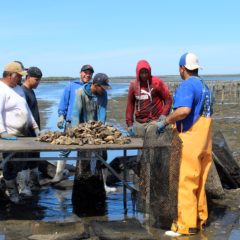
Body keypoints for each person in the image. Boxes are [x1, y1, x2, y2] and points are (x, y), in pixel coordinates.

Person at [156, 53, 214, 236]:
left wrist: (165, 122)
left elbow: (184, 110)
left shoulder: (187, 85)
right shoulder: (205, 87)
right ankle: (199, 220)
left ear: (182, 68)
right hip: (205, 140)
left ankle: (185, 226)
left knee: (185, 182)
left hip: (190, 139)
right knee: (200, 181)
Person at [0, 62, 40, 203]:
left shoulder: (18, 89)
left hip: (23, 135)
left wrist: (35, 127)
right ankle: (13, 194)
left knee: (21, 163)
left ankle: (22, 189)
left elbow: (26, 110)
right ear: (11, 75)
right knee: (10, 165)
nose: (21, 79)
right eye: (19, 76)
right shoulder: (1, 89)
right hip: (9, 136)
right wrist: (2, 133)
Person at [71, 73, 116, 192]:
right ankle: (83, 186)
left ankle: (103, 184)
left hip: (97, 130)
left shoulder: (103, 94)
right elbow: (76, 114)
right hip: (82, 130)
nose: (104, 90)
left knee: (103, 156)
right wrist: (77, 132)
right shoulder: (81, 92)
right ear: (95, 85)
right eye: (103, 87)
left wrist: (101, 130)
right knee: (83, 158)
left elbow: (102, 113)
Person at [53, 64, 94, 183]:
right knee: (65, 149)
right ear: (80, 73)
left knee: (88, 150)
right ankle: (58, 174)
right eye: (85, 72)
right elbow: (63, 102)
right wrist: (61, 115)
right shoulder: (71, 86)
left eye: (90, 73)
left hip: (87, 125)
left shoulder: (91, 87)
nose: (87, 75)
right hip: (71, 123)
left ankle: (87, 175)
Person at [126, 59, 172, 137]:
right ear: (138, 73)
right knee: (141, 145)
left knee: (152, 142)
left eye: (146, 72)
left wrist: (164, 115)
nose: (144, 75)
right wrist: (129, 123)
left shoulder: (157, 82)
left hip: (155, 120)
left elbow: (168, 99)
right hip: (140, 122)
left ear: (149, 71)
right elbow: (130, 105)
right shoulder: (133, 85)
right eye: (141, 73)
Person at [20, 67, 43, 191]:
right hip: (27, 133)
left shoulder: (31, 91)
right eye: (36, 80)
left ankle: (35, 184)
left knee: (35, 158)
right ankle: (24, 187)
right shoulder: (23, 92)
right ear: (28, 77)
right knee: (25, 160)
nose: (38, 82)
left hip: (35, 133)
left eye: (39, 80)